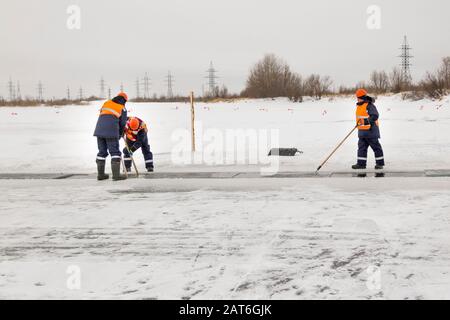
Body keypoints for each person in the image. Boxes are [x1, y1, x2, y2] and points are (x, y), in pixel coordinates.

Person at [93, 92, 128, 181]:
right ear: (124, 100)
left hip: (99, 130)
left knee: (102, 152)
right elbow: (123, 123)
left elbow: (103, 114)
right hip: (111, 130)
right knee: (115, 152)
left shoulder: (107, 103)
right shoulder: (122, 108)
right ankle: (116, 176)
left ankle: (101, 175)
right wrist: (120, 134)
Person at [352, 89, 385, 173]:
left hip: (371, 132)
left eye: (359, 98)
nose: (357, 99)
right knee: (361, 148)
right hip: (362, 132)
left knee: (376, 147)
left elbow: (375, 116)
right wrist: (358, 124)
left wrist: (366, 121)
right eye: (357, 98)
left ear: (363, 97)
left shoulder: (369, 106)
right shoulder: (359, 106)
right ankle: (361, 164)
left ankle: (380, 164)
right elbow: (360, 118)